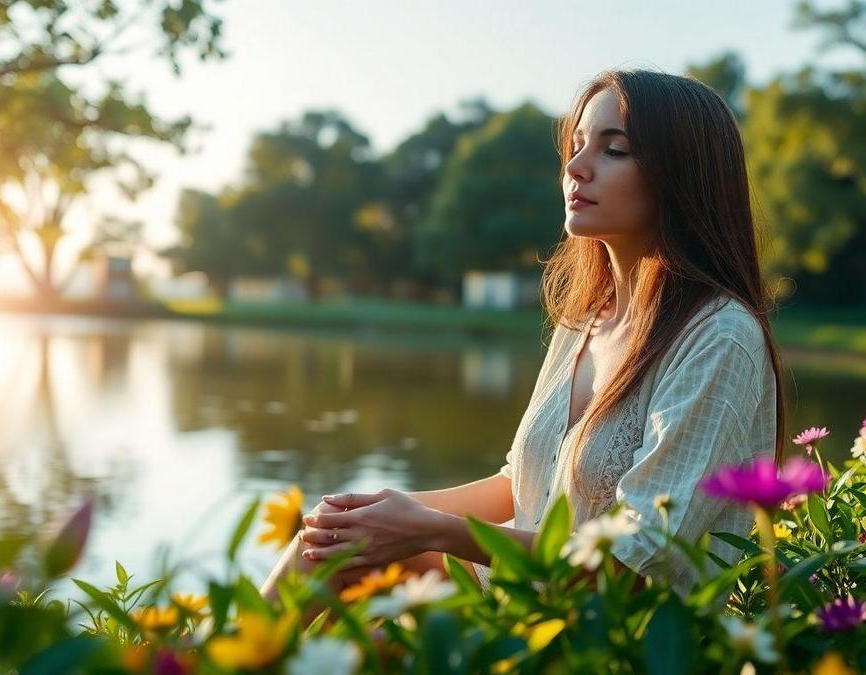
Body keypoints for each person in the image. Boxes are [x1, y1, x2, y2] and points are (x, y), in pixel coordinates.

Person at [260, 68, 785, 601]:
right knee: (325, 542)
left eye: (614, 150)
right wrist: (391, 509)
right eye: (577, 146)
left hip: (620, 634)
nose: (576, 168)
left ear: (682, 174)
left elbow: (637, 561)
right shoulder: (585, 319)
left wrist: (431, 531)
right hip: (528, 595)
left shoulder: (719, 338)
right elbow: (521, 485)